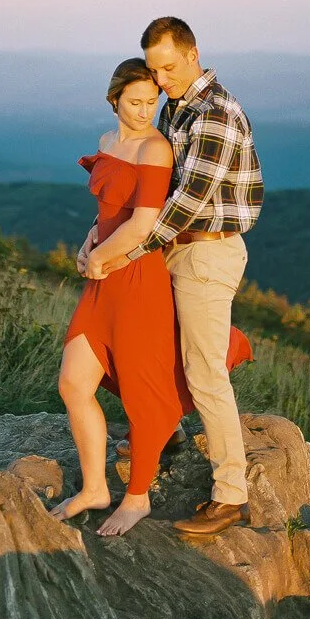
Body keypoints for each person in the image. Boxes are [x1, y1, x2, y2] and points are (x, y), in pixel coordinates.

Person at [52, 58, 251, 537]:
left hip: (136, 276)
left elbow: (143, 225)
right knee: (74, 383)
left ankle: (136, 498)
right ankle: (96, 487)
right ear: (113, 99)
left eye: (151, 102)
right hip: (105, 277)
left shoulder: (156, 149)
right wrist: (89, 244)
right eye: (135, 101)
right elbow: (109, 212)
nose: (145, 110)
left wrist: (104, 257)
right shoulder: (107, 142)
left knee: (145, 396)